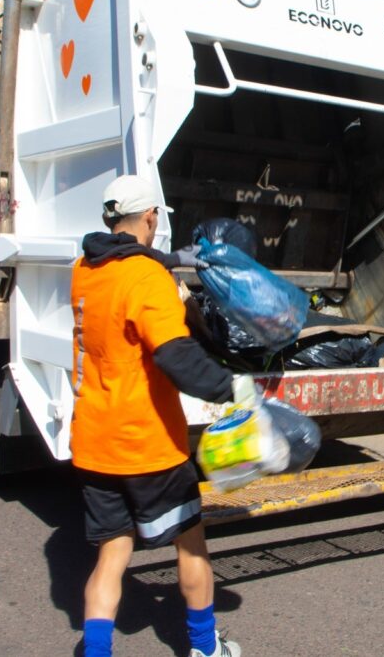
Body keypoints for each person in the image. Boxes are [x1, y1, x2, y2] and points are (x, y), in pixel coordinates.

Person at [71, 174, 243, 656]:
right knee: (191, 546)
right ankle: (205, 649)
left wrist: (176, 260)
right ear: (150, 216)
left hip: (94, 442)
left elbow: (126, 264)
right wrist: (233, 387)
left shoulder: (84, 268)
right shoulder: (149, 281)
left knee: (112, 554)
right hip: (148, 447)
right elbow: (177, 359)